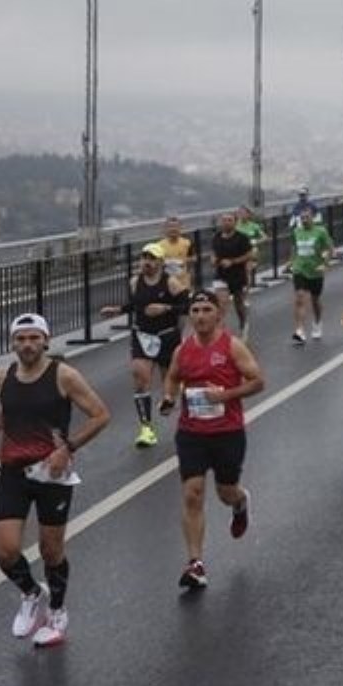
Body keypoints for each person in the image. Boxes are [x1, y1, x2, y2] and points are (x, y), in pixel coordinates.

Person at [0, 313, 110, 648]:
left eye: (34, 338)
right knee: (5, 550)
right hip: (13, 470)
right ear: (12, 343)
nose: (28, 344)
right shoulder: (3, 376)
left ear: (46, 340)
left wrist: (68, 449)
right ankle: (31, 593)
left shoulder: (64, 376)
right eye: (21, 339)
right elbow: (10, 407)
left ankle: (57, 613)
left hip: (51, 474)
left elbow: (101, 414)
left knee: (50, 550)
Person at [159, 291, 265, 590]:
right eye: (195, 310)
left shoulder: (232, 346)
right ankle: (195, 563)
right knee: (192, 493)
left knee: (225, 492)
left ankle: (241, 502)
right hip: (191, 432)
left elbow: (258, 381)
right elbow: (172, 377)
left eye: (207, 309)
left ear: (218, 314)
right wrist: (168, 398)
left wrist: (225, 396)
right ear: (190, 315)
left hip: (227, 432)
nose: (201, 315)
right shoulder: (184, 349)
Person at [100, 243, 189, 448]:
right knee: (140, 376)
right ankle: (146, 429)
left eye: (151, 259)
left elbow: (187, 306)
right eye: (144, 258)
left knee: (170, 383)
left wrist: (165, 308)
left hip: (167, 336)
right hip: (142, 335)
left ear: (160, 262)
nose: (146, 262)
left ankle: (173, 403)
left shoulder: (172, 283)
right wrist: (119, 310)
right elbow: (137, 305)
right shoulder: (135, 281)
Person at [289, 205, 334, 346]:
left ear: (312, 218)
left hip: (315, 271)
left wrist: (325, 264)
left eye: (307, 217)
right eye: (302, 218)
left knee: (315, 300)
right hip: (300, 269)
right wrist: (291, 262)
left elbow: (329, 248)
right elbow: (294, 247)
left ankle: (317, 322)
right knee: (300, 298)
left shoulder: (320, 231)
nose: (304, 220)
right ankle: (300, 331)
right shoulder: (296, 231)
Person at [210, 211, 256, 338]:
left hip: (237, 275)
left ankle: (243, 323)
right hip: (220, 275)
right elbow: (213, 252)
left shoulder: (242, 237)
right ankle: (220, 333)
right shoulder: (216, 237)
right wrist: (213, 259)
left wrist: (233, 261)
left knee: (238, 304)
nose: (226, 222)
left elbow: (250, 254)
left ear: (235, 222)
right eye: (224, 220)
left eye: (229, 220)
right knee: (221, 304)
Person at [152, 217, 195, 292]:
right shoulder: (159, 245)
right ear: (165, 229)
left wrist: (183, 262)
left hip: (183, 283)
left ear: (180, 228)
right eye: (170, 227)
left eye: (176, 226)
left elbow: (192, 259)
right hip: (166, 284)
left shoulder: (187, 243)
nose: (173, 229)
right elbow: (155, 264)